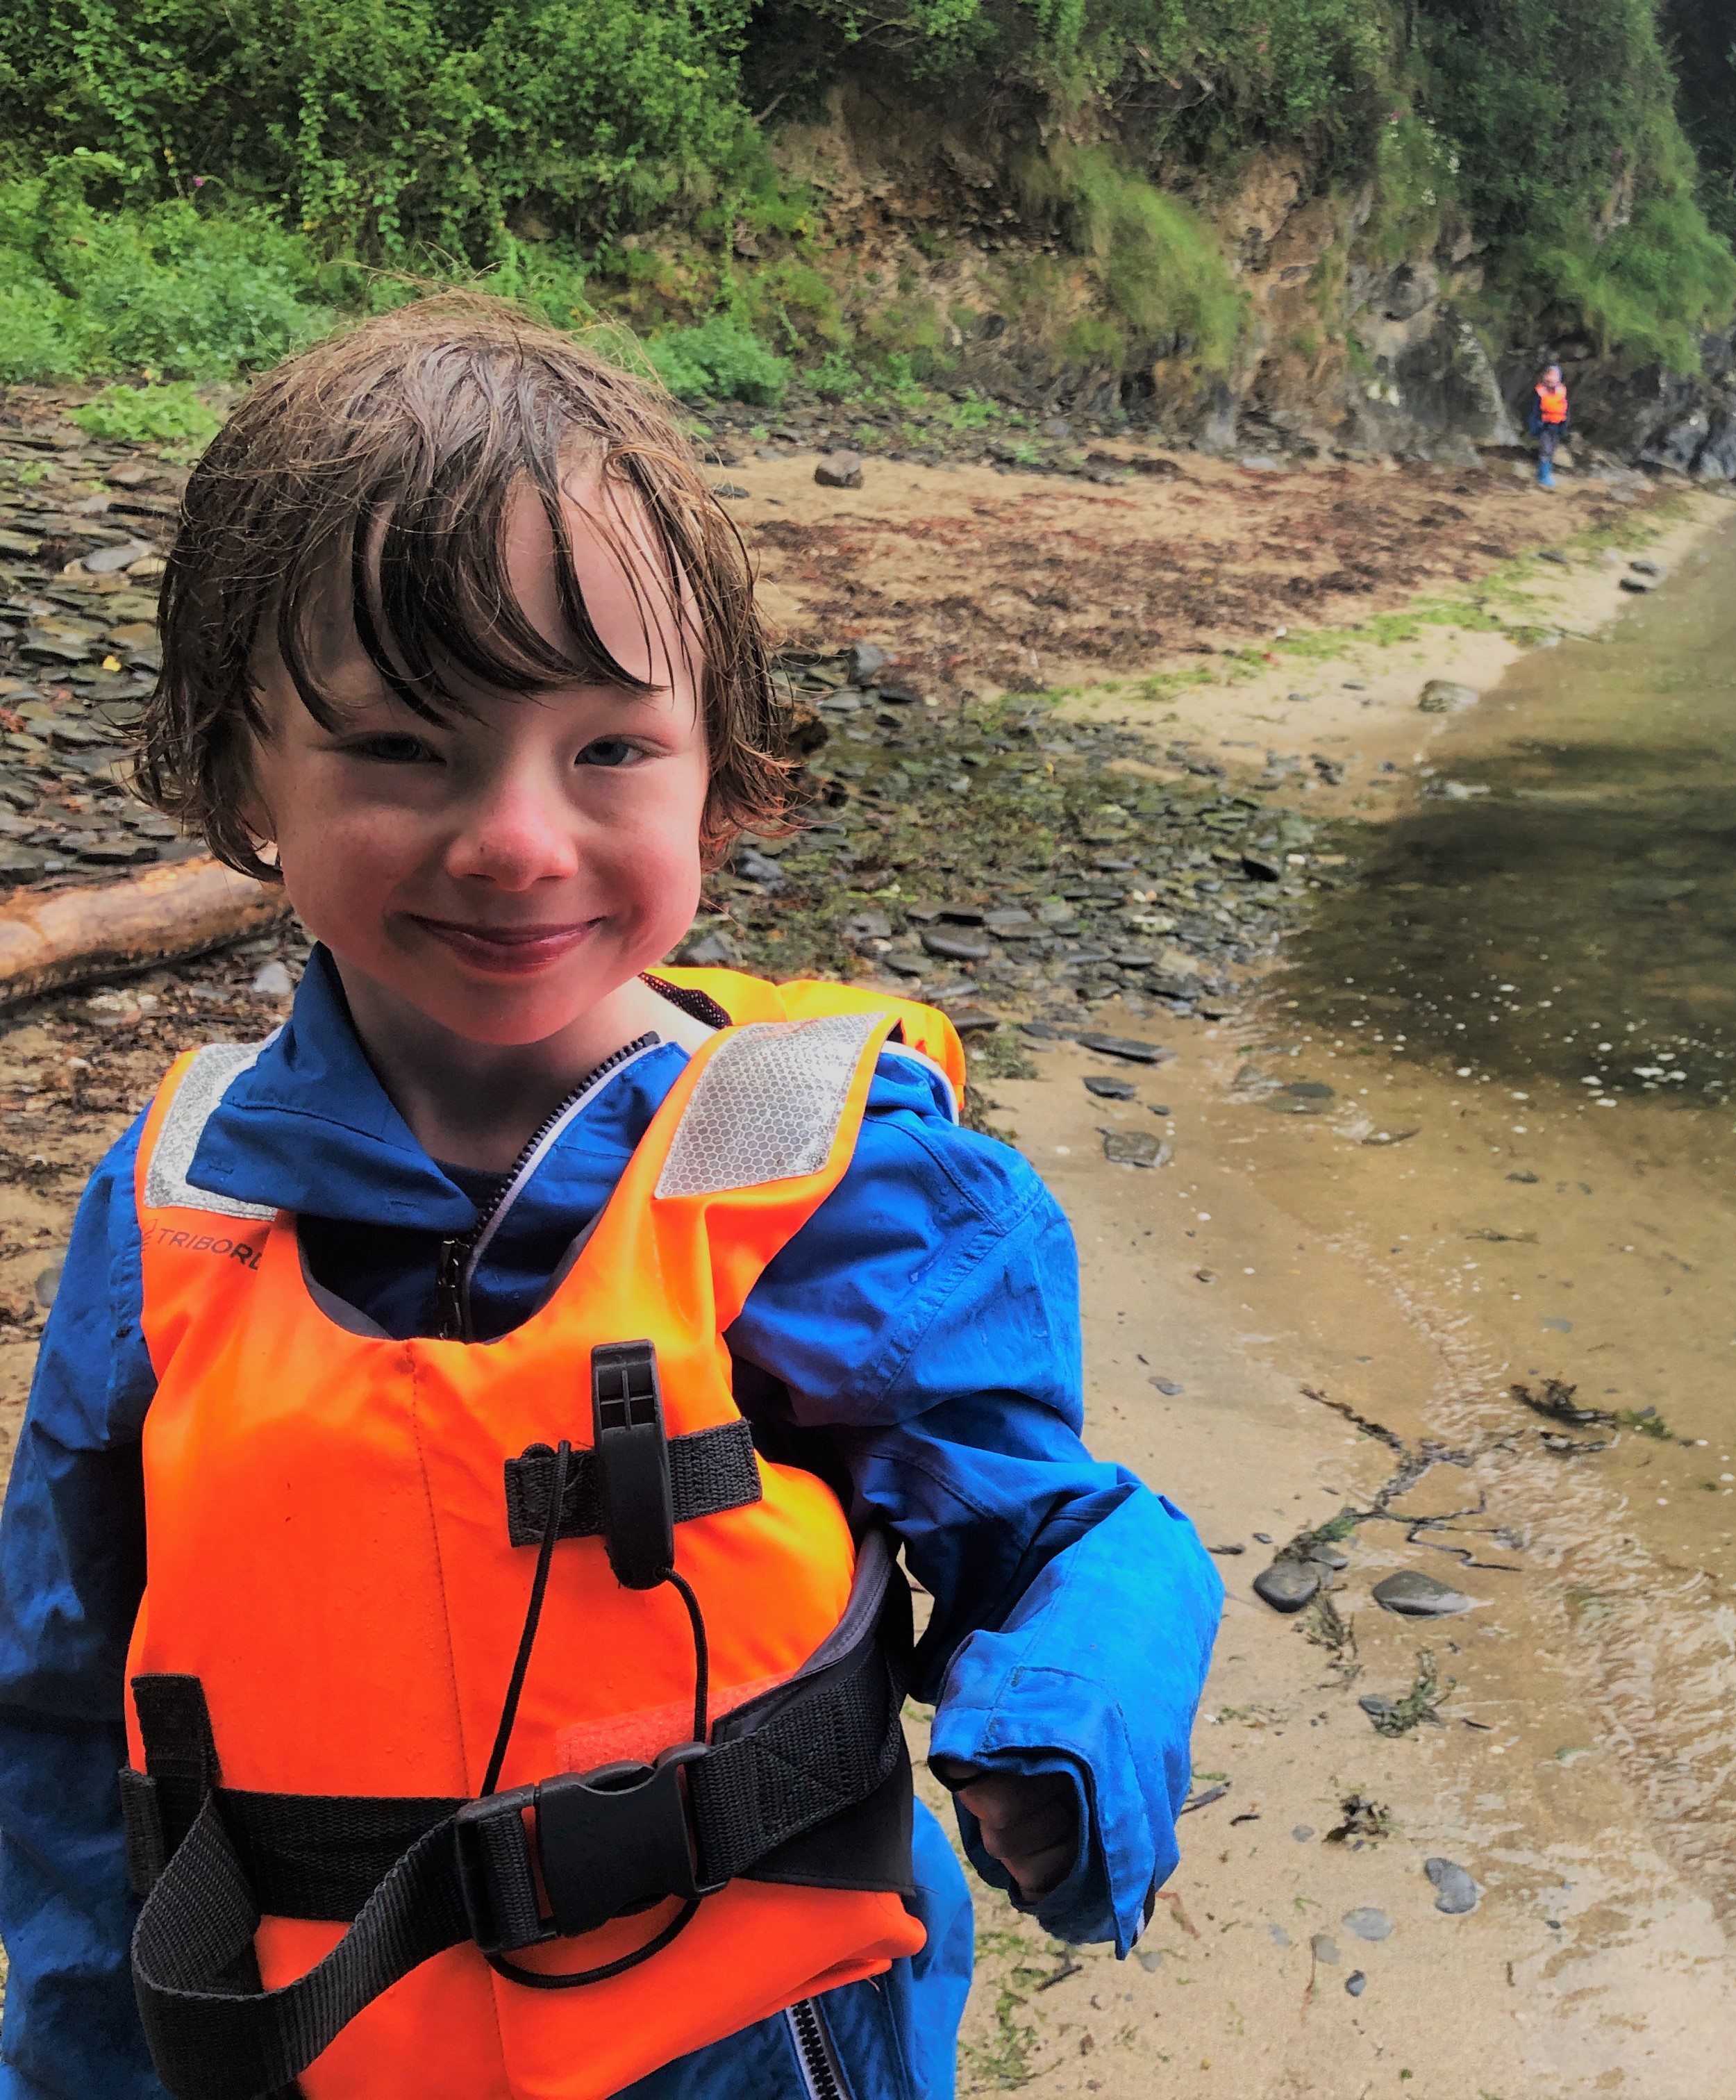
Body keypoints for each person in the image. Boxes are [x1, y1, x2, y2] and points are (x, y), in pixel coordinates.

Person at [0, 295, 1223, 2099]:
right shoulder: (175, 1206)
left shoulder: (833, 1172)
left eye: (610, 751)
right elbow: (57, 1696)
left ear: (720, 769)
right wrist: (75, 2060)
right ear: (242, 767)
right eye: (400, 747)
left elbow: (1061, 1531)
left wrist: (1062, 1731)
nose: (515, 838)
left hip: (750, 2053)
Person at [1530, 363, 1568, 488]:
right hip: (1544, 426)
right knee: (1545, 450)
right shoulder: (1540, 392)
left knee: (1552, 450)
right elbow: (1534, 411)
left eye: (1555, 376)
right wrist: (1535, 427)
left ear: (1559, 378)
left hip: (1557, 426)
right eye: (1549, 375)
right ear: (1545, 376)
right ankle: (1544, 476)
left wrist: (1564, 426)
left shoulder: (1562, 391)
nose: (1552, 378)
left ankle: (1542, 474)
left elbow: (1566, 410)